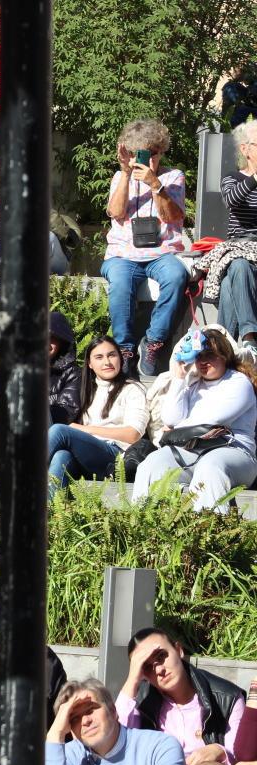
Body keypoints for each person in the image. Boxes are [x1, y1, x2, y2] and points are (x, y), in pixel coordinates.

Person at [131, 328, 257, 513]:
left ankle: (209, 527)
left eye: (210, 356)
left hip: (234, 452)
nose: (203, 362)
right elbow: (170, 418)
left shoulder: (239, 382)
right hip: (192, 450)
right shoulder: (192, 384)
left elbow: (213, 419)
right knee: (151, 464)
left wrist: (176, 430)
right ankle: (144, 524)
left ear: (224, 355)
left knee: (210, 466)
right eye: (199, 356)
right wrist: (179, 378)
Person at [101, 118, 188, 377]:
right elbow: (116, 212)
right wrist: (126, 174)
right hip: (123, 253)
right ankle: (125, 350)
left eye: (152, 153)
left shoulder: (173, 177)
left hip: (162, 252)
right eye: (138, 153)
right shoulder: (120, 176)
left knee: (176, 276)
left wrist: (155, 184)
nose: (146, 159)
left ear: (161, 151)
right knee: (119, 282)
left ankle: (153, 343)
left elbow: (173, 216)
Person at [0, 310, 82, 472]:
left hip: (41, 443)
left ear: (62, 343)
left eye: (53, 337)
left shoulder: (73, 374)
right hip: (3, 444)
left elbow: (64, 418)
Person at [115, 627, 245, 765]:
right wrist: (132, 680)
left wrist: (220, 751)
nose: (159, 670)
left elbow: (241, 759)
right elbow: (116, 746)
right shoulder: (140, 702)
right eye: (146, 667)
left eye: (161, 656)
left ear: (178, 650)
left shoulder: (227, 697)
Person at [46, 678, 185, 765]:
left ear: (113, 711)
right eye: (75, 718)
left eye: (91, 710)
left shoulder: (160, 748)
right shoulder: (70, 755)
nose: (85, 721)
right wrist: (55, 735)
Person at [47, 336, 147, 491]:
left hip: (115, 457)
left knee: (59, 431)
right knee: (62, 456)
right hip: (85, 456)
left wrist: (85, 429)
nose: (107, 362)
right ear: (90, 364)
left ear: (120, 358)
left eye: (111, 355)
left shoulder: (132, 389)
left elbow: (133, 434)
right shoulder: (86, 389)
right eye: (99, 357)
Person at [213, 120, 257, 357]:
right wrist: (255, 178)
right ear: (245, 149)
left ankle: (223, 347)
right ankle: (249, 338)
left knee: (230, 280)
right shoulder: (233, 178)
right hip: (239, 246)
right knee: (238, 265)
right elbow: (231, 200)